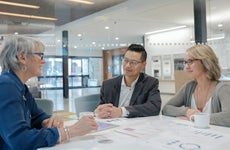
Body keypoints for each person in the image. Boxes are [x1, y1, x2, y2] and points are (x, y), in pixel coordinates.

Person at [0, 36, 98, 150]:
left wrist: (47, 121)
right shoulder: (5, 86)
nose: (43, 61)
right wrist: (71, 131)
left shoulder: (20, 86)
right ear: (22, 57)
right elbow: (20, 141)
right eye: (40, 55)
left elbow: (38, 117)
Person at [162, 44, 230, 127]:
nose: (186, 67)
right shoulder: (188, 87)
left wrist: (194, 117)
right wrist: (186, 112)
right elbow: (166, 109)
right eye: (185, 62)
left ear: (206, 62)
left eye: (190, 61)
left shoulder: (223, 89)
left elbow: (228, 117)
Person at [94, 44, 161, 118]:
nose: (128, 65)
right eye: (125, 60)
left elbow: (154, 107)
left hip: (136, 126)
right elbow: (100, 108)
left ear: (143, 65)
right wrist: (98, 111)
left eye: (133, 62)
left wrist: (121, 111)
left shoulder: (150, 83)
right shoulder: (108, 85)